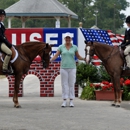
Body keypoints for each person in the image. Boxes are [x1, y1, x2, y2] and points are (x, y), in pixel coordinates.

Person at [50, 32, 85, 107]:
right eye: (67, 38)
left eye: (69, 38)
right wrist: (50, 60)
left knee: (71, 84)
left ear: (71, 39)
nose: (68, 39)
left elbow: (78, 56)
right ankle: (64, 100)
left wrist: (84, 59)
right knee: (64, 84)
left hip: (72, 67)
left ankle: (71, 100)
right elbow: (56, 55)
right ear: (65, 39)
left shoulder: (74, 47)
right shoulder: (61, 47)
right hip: (63, 68)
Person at [0, 9, 12, 73]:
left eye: (3, 16)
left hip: (1, 41)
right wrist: (7, 42)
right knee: (9, 52)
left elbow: (3, 35)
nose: (1, 18)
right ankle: (4, 68)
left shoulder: (1, 24)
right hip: (0, 42)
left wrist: (7, 42)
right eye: (0, 16)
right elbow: (0, 36)